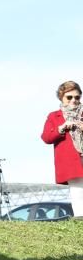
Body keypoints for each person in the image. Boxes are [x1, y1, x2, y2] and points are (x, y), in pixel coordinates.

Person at [40, 80, 83, 218]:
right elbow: (46, 137)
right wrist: (61, 128)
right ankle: (80, 220)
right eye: (69, 97)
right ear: (61, 97)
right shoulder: (54, 116)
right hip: (71, 161)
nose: (73, 100)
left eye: (77, 97)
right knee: (77, 191)